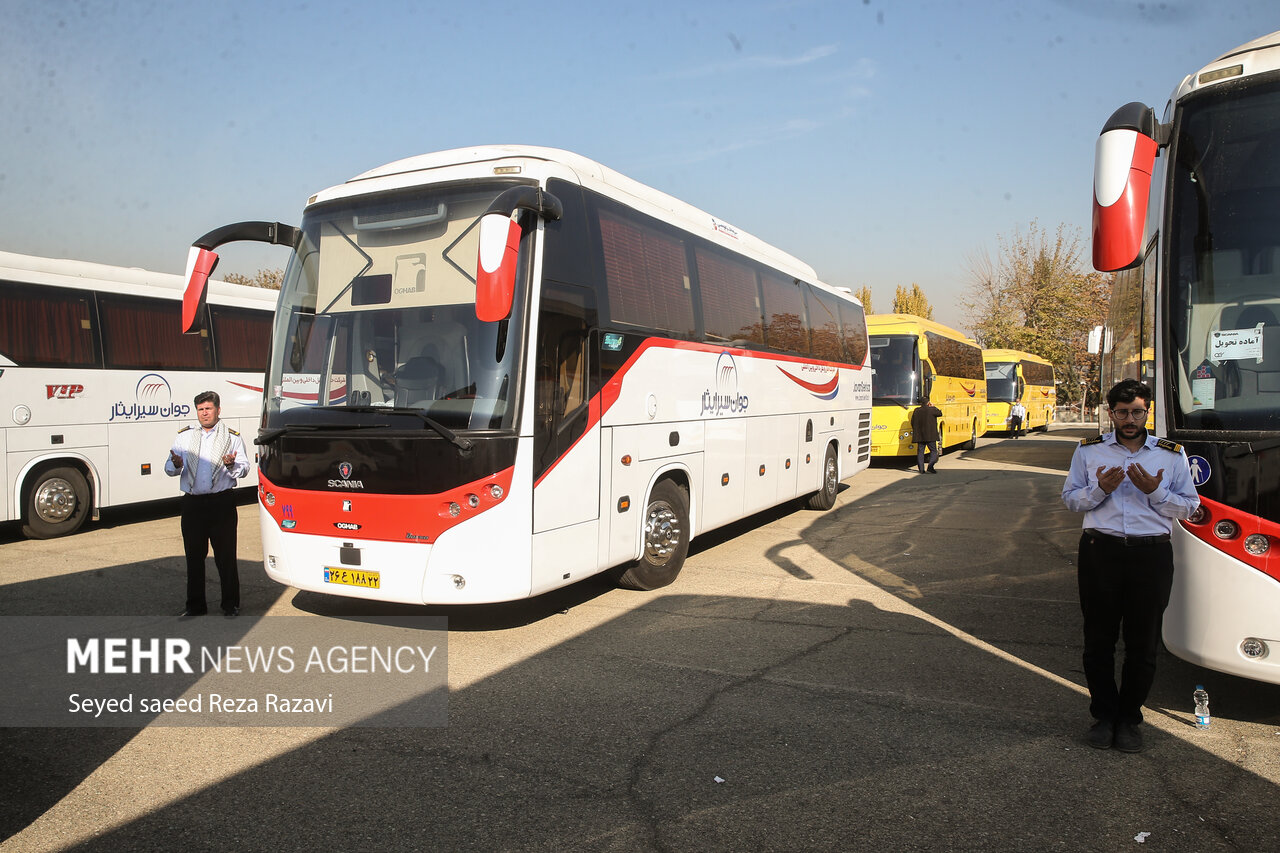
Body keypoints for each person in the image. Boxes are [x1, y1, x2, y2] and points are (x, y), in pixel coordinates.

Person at [1061, 379, 1199, 753]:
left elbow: (1190, 506)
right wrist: (1099, 490)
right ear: (1111, 413)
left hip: (1150, 555)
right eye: (1122, 412)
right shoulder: (1089, 452)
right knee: (1099, 640)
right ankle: (1104, 717)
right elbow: (1071, 501)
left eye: (1137, 411)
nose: (1130, 419)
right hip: (1100, 553)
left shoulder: (1170, 455)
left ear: (1147, 411)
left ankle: (1129, 719)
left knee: (1142, 643)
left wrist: (1155, 492)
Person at [164, 391, 250, 619]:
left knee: (225, 557)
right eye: (201, 409)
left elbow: (244, 467)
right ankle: (195, 606)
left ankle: (230, 605)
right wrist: (175, 464)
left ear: (218, 410)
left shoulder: (232, 437)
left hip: (221, 502)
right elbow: (169, 468)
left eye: (208, 409)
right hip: (193, 504)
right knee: (193, 556)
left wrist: (231, 465)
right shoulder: (185, 437)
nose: (204, 413)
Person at [910, 396, 943, 473]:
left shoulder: (916, 411)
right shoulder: (931, 410)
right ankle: (930, 467)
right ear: (928, 402)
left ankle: (921, 470)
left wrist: (917, 431)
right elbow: (940, 413)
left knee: (920, 452)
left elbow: (912, 422)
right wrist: (933, 406)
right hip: (930, 435)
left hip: (920, 435)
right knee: (933, 451)